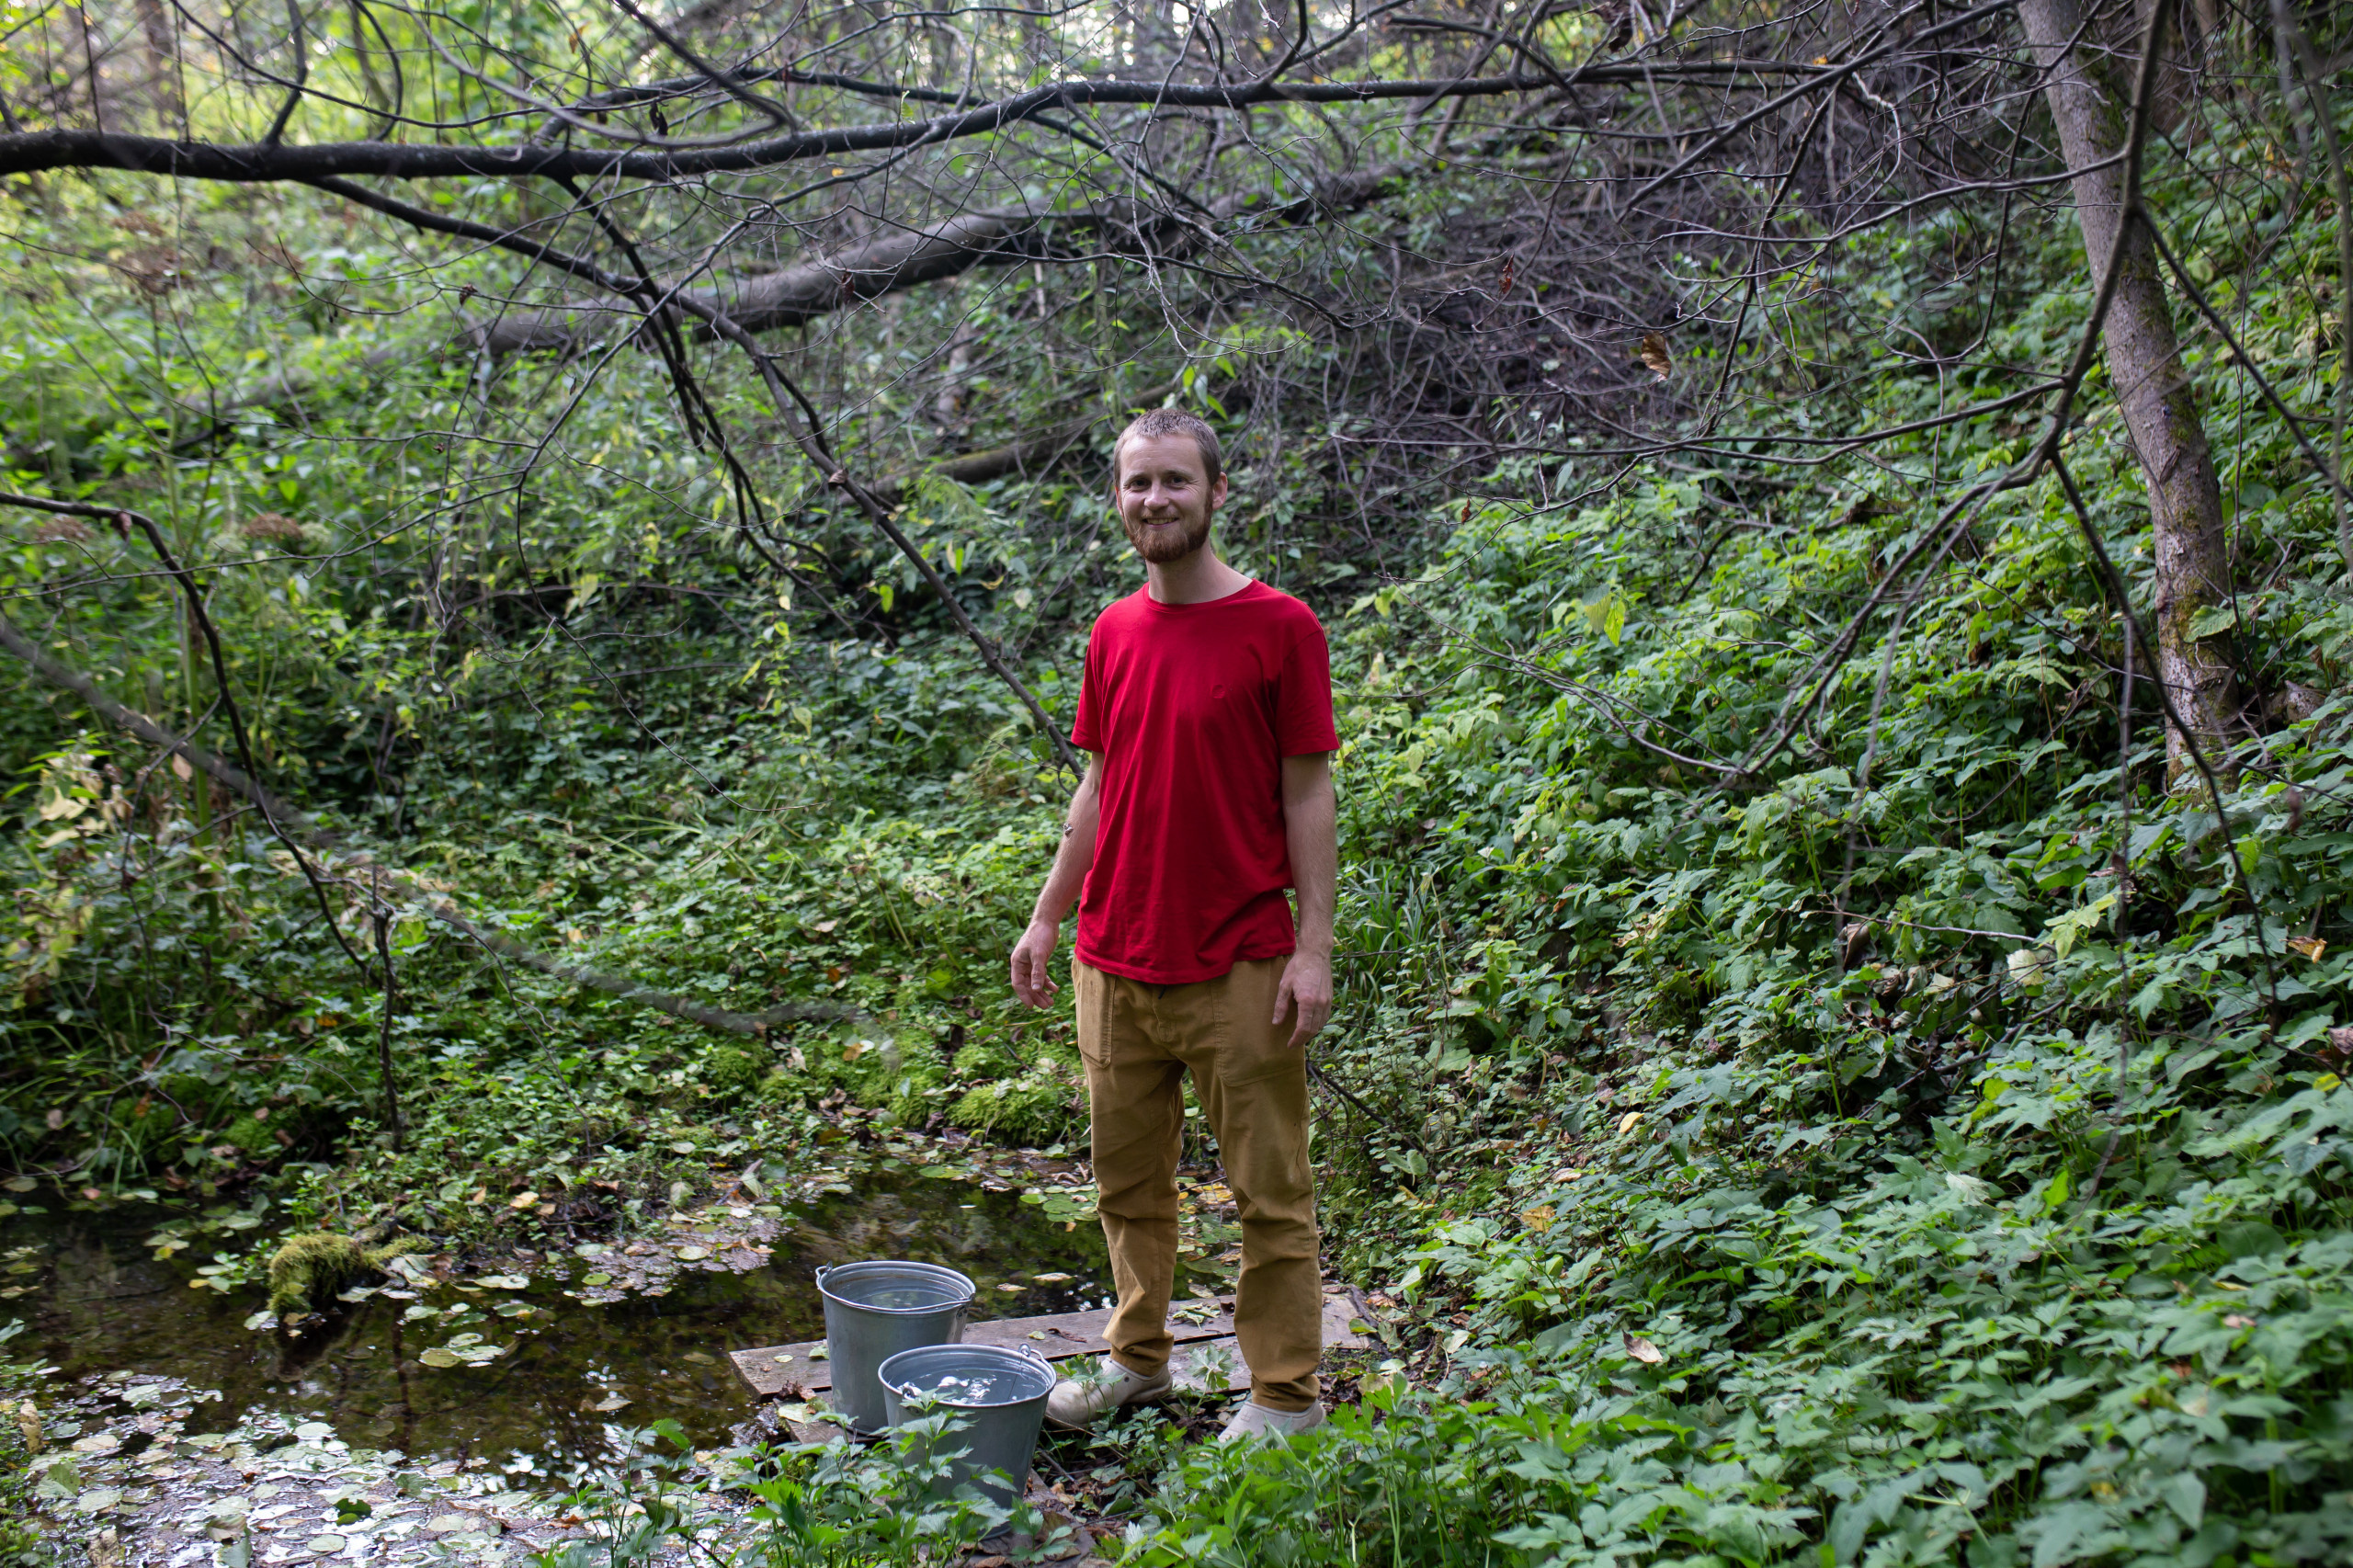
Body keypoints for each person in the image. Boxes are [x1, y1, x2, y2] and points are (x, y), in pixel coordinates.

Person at [1008, 406, 1339, 1446]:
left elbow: (1307, 795)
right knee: (1127, 1184)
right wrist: (1047, 913)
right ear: (1119, 497)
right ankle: (1134, 1360)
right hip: (1114, 958)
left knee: (1268, 1190)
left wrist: (1314, 947)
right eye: (1136, 483)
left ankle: (1284, 1393)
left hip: (1239, 957)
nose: (1152, 500)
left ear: (1216, 493)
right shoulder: (1114, 630)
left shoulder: (1279, 626)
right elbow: (1099, 787)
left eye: (1173, 482)